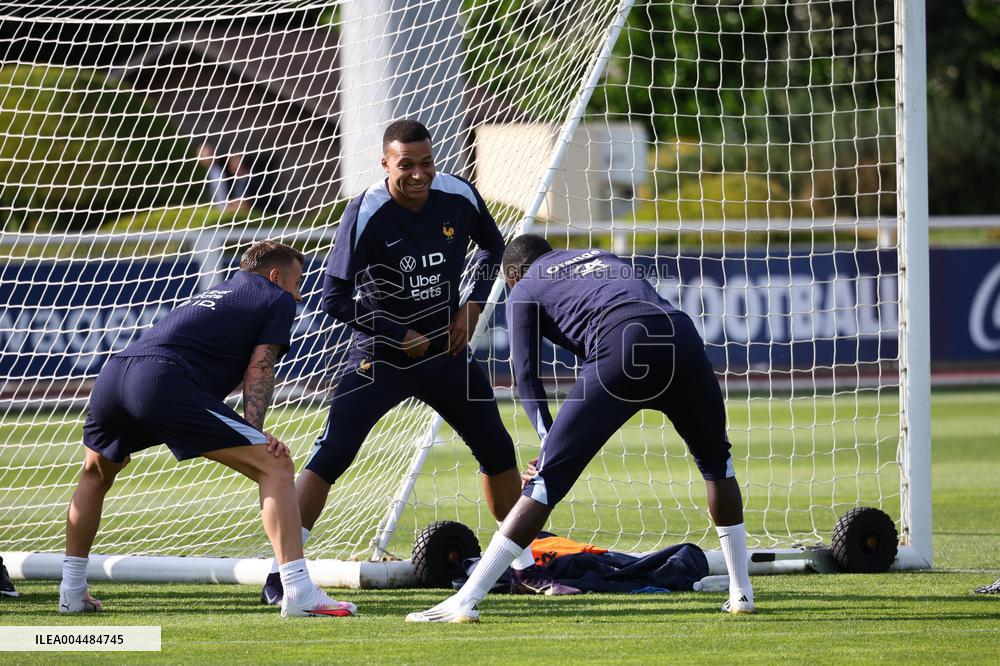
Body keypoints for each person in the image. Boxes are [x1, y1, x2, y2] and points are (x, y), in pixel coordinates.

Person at [406, 235, 755, 623]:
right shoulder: (598, 256)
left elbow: (526, 377)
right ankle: (741, 593)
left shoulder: (524, 287)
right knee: (717, 467)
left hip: (624, 343)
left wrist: (547, 445)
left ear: (512, 276)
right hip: (682, 338)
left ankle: (465, 600)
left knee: (544, 485)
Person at [260, 119, 530, 604]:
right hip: (379, 358)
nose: (419, 174)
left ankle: (518, 565)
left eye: (427, 163)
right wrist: (396, 333)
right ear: (385, 164)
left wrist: (472, 305)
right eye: (406, 165)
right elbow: (334, 298)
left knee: (496, 447)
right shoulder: (364, 212)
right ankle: (284, 577)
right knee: (332, 454)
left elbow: (495, 247)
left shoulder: (459, 195)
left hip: (448, 355)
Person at [60, 241, 355, 618]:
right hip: (159, 381)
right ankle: (297, 591)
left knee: (96, 473)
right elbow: (261, 366)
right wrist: (255, 433)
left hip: (113, 376)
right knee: (275, 464)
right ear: (275, 276)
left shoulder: (219, 292)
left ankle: (71, 591)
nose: (298, 294)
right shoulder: (275, 297)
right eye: (297, 283)